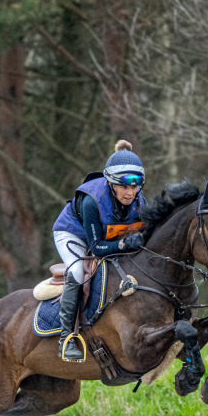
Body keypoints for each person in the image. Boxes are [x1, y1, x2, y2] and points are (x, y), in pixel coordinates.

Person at [51, 139, 148, 361]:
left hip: (107, 235)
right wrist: (124, 244)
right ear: (111, 183)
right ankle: (66, 339)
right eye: (124, 186)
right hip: (73, 234)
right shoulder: (92, 201)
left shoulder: (139, 200)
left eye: (135, 186)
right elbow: (96, 248)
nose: (130, 192)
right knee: (76, 272)